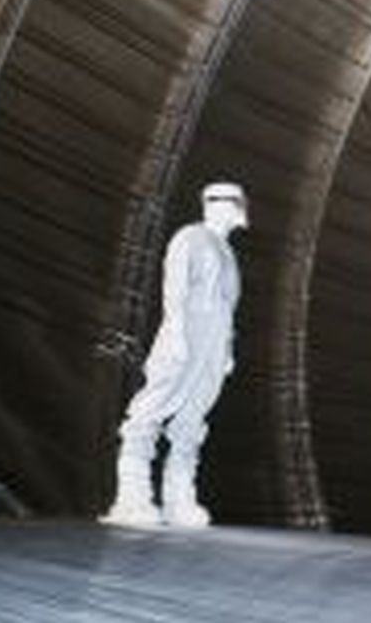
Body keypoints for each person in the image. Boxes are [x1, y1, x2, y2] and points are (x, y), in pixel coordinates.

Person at [103, 182, 248, 528]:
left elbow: (228, 306)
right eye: (233, 204)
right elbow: (175, 289)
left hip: (213, 340)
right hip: (185, 332)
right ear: (215, 205)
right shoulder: (190, 237)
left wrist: (225, 349)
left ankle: (178, 498)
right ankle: (132, 496)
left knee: (193, 415)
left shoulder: (228, 253)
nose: (239, 211)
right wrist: (178, 334)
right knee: (154, 406)